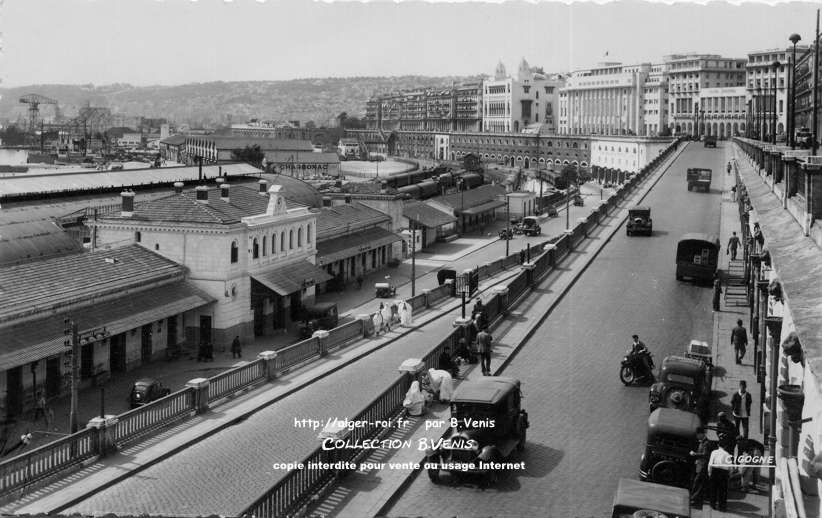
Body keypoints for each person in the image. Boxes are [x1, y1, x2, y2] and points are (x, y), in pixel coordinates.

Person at [689, 427, 710, 507]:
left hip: (702, 466)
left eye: (698, 435)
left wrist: (695, 454)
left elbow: (705, 454)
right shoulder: (702, 442)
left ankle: (694, 500)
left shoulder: (706, 443)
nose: (697, 436)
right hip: (699, 465)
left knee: (698, 483)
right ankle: (694, 499)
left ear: (701, 434)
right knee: (697, 482)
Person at [708, 441, 732, 511]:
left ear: (718, 445)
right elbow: (730, 466)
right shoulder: (727, 454)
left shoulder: (714, 452)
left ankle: (713, 504)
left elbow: (710, 463)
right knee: (723, 490)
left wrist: (709, 472)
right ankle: (722, 506)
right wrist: (729, 474)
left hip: (715, 471)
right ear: (725, 446)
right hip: (724, 472)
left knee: (713, 489)